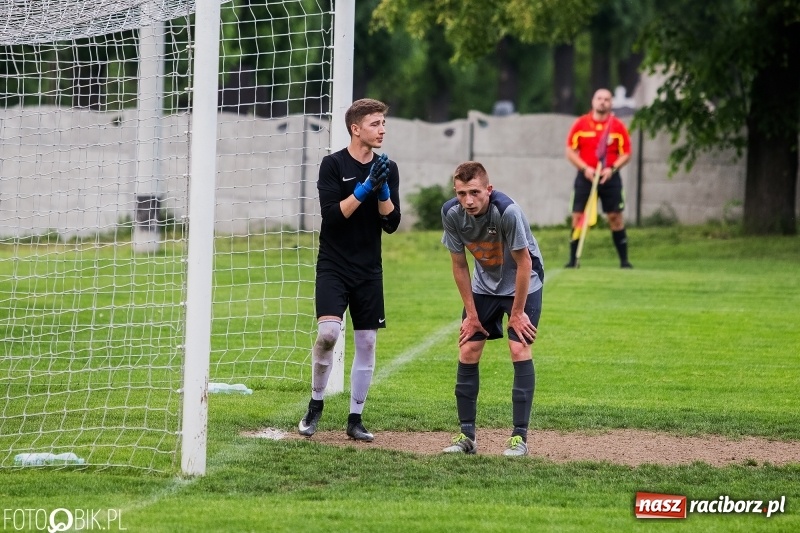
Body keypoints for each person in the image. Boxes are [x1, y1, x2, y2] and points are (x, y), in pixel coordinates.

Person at [298, 98, 401, 442]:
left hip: (369, 269)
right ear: (356, 129)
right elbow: (332, 216)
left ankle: (355, 419)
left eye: (384, 122)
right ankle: (315, 405)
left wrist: (383, 189)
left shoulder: (388, 167)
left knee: (368, 342)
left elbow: (392, 223)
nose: (382, 129)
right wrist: (364, 187)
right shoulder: (332, 164)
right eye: (375, 123)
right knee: (327, 335)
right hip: (334, 265)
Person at [440, 161, 544, 457]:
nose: (468, 200)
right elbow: (459, 265)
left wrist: (518, 313)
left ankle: (519, 439)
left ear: (489, 189)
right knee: (468, 350)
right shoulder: (452, 214)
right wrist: (471, 315)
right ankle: (466, 437)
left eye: (474, 192)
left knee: (518, 348)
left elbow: (525, 263)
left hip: (524, 284)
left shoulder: (507, 211)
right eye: (461, 193)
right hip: (483, 286)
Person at [564, 88, 633, 268]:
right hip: (585, 177)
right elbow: (570, 151)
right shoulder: (581, 124)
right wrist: (585, 168)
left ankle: (624, 261)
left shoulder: (617, 126)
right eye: (599, 98)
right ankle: (573, 260)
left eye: (606, 99)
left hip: (610, 178)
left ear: (611, 103)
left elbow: (626, 153)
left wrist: (612, 168)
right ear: (593, 101)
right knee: (578, 216)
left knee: (615, 217)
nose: (602, 102)